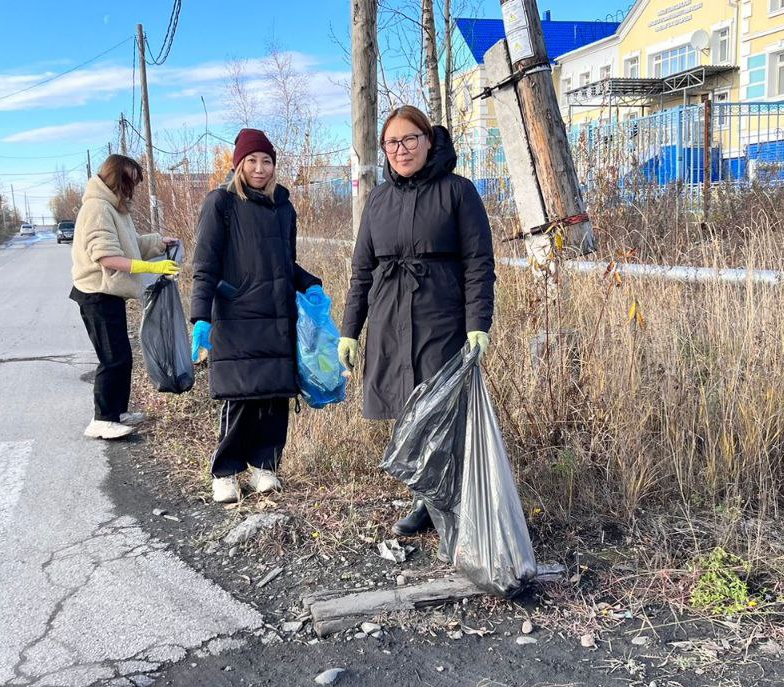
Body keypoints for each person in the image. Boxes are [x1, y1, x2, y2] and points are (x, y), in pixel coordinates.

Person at [338, 105, 496, 536]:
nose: (402, 149)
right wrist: (350, 330)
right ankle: (426, 499)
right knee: (408, 413)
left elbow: (479, 262)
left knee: (443, 413)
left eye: (410, 139)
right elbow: (362, 270)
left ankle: (457, 502)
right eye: (393, 142)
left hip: (440, 317)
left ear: (429, 140)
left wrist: (477, 321)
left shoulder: (458, 192)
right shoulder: (378, 199)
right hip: (390, 317)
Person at [190, 128, 323, 503]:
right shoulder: (222, 203)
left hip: (278, 315)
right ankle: (226, 472)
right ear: (239, 165)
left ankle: (266, 467)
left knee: (275, 396)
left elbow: (285, 262)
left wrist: (309, 283)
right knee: (243, 396)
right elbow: (206, 264)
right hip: (237, 315)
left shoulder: (284, 207)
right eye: (252, 161)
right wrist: (201, 316)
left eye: (266, 161)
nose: (260, 168)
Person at [69, 154, 180, 440]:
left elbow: (129, 247)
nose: (133, 187)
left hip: (110, 293)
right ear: (117, 179)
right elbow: (106, 256)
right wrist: (150, 267)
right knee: (112, 358)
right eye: (130, 180)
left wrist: (158, 243)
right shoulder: (97, 208)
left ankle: (117, 411)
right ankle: (101, 419)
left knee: (123, 357)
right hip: (95, 294)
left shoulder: (115, 208)